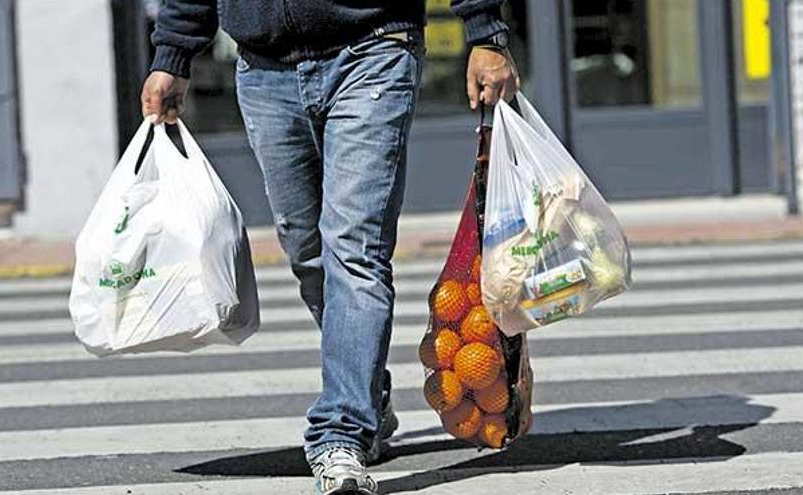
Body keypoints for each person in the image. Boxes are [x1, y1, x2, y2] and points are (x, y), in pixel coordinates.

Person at [141, 1, 519, 493]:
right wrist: (173, 54)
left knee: (354, 249)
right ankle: (367, 393)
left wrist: (486, 32)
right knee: (309, 253)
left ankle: (340, 433)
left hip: (374, 48)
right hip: (264, 69)